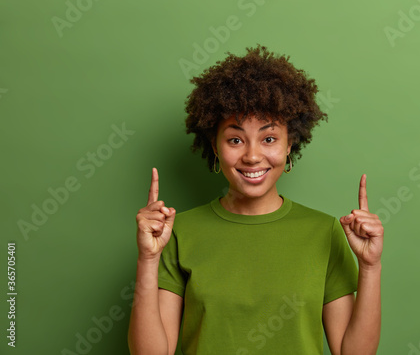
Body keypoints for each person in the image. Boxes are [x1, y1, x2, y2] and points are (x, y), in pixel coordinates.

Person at [128, 44, 384, 355]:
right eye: (235, 139)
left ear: (290, 144)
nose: (252, 156)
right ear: (215, 146)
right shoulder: (177, 232)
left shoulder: (325, 232)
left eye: (269, 139)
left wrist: (370, 267)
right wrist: (148, 260)